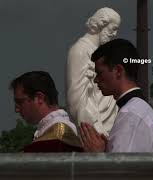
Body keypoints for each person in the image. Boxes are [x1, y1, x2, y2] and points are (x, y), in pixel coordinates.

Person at [79, 39, 153, 152]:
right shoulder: (138, 110)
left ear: (118, 71)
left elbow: (120, 169)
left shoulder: (131, 115)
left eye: (100, 73)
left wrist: (98, 155)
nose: (96, 80)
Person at [65, 7, 120, 136]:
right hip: (96, 135)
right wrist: (97, 133)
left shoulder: (101, 53)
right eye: (113, 29)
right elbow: (77, 102)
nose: (115, 34)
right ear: (102, 24)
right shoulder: (80, 51)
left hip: (110, 132)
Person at [10, 71, 82, 152]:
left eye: (20, 102)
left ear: (39, 98)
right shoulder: (51, 130)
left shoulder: (58, 135)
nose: (16, 109)